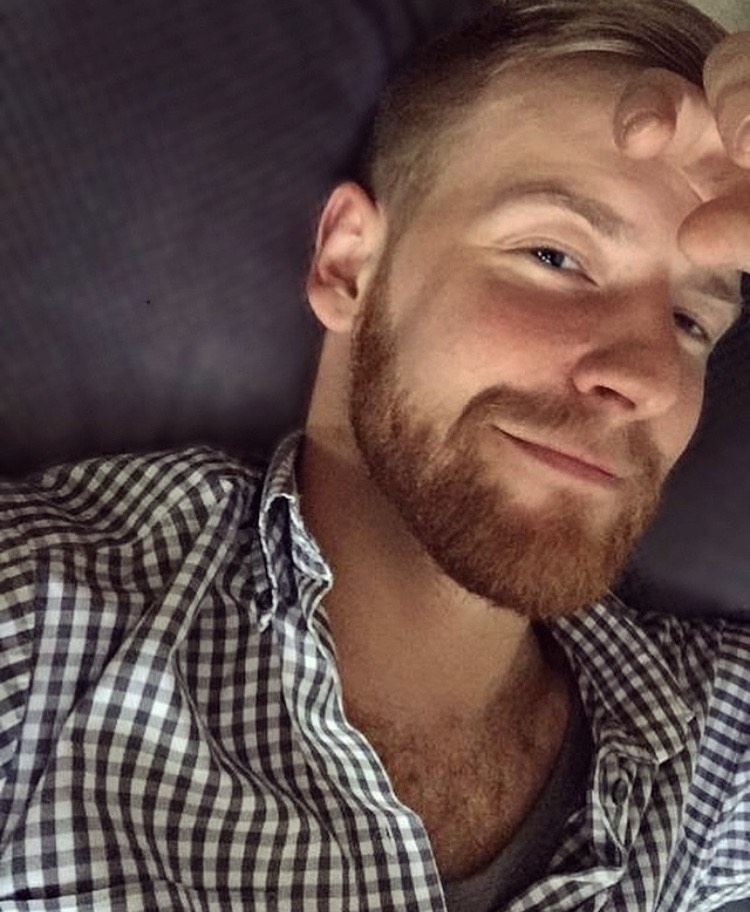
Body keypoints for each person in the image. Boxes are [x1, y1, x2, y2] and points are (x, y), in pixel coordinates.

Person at [1, 0, 749, 909]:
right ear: (349, 265)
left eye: (691, 321)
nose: (648, 377)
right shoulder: (41, 626)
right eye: (555, 255)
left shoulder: (709, 750)